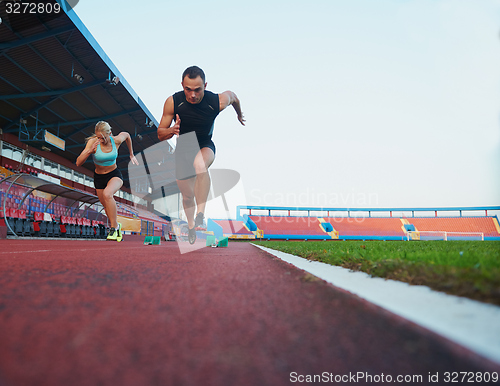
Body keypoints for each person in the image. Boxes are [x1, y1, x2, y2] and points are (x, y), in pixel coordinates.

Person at [157, 66, 245, 244]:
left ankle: (200, 215)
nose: (193, 95)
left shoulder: (216, 101)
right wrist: (172, 130)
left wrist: (239, 114)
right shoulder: (173, 102)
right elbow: (160, 133)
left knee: (200, 165)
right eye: (188, 89)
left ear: (205, 85)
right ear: (182, 85)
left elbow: (233, 96)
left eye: (198, 90)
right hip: (183, 149)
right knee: (187, 196)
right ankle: (191, 226)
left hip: (205, 145)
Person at [76, 121, 139, 241]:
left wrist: (131, 154)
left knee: (107, 194)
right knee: (106, 206)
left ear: (110, 133)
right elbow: (78, 162)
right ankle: (117, 226)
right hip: (99, 178)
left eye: (103, 137)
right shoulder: (93, 142)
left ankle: (114, 228)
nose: (100, 140)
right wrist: (89, 151)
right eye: (98, 137)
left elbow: (127, 135)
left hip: (114, 174)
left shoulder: (116, 140)